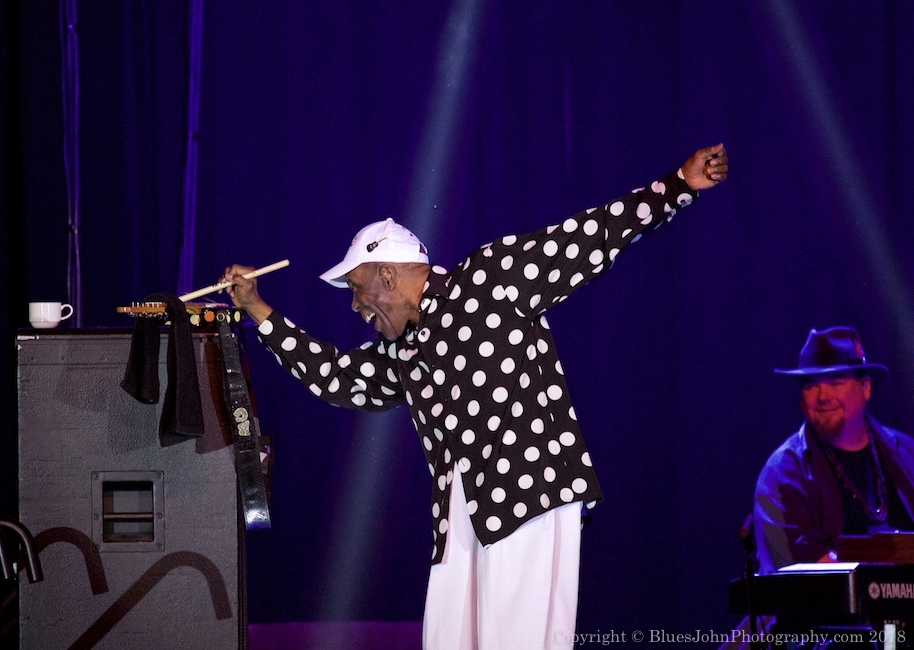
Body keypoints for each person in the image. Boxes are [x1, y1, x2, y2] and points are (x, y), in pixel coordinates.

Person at [223, 143, 728, 649]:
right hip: (461, 510)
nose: (355, 305)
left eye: (356, 288)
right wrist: (258, 310)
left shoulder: (490, 278)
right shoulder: (402, 349)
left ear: (388, 275)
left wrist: (678, 186)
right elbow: (337, 377)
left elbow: (586, 238)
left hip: (527, 494)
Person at [753, 326, 914, 575]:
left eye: (836, 382)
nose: (823, 396)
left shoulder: (906, 453)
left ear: (866, 388)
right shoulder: (783, 473)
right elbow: (792, 569)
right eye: (811, 385)